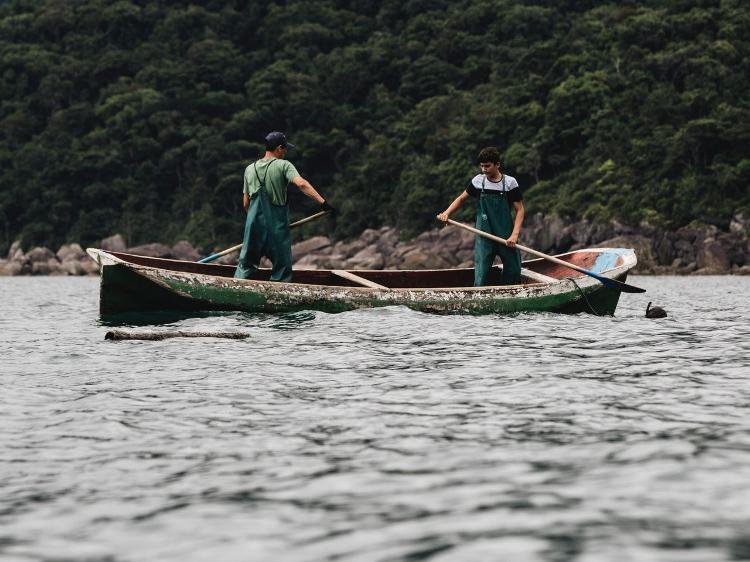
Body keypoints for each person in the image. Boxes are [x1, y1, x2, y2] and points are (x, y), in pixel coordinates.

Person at [234, 131, 333, 282]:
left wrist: (256, 224)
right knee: (281, 269)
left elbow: (246, 203)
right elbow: (301, 184)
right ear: (279, 148)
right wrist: (323, 203)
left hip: (253, 228)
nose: (286, 151)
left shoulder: (249, 169)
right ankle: (277, 296)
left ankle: (237, 288)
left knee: (245, 266)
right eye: (285, 148)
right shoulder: (284, 165)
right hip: (277, 229)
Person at [437, 147, 525, 286]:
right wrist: (446, 213)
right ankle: (480, 295)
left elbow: (520, 209)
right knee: (481, 272)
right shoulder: (478, 181)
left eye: (487, 166)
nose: (484, 169)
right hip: (484, 233)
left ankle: (509, 293)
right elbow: (461, 199)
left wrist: (514, 235)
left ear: (497, 165)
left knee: (514, 270)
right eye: (482, 166)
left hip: (506, 235)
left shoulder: (510, 183)